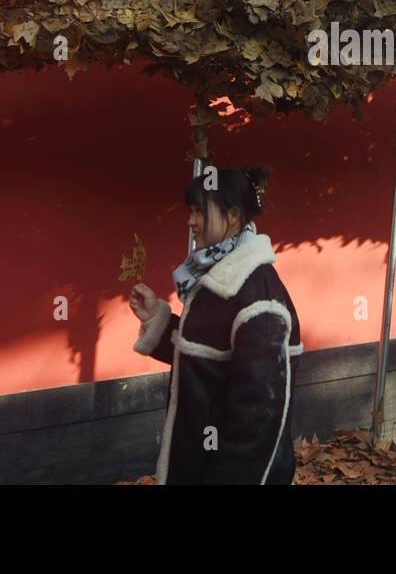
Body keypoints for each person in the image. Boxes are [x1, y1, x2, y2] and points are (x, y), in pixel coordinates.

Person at [129, 166, 302, 484]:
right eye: (190, 211)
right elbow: (205, 357)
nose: (190, 221)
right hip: (197, 461)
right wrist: (157, 318)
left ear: (233, 216)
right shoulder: (219, 279)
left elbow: (258, 421)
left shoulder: (258, 299)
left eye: (199, 211)